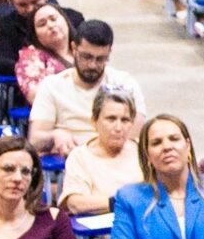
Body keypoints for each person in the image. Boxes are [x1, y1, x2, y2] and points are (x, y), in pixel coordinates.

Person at [26, 19, 142, 155]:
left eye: (100, 59)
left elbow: (133, 137)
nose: (92, 65)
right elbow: (35, 139)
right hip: (68, 158)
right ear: (74, 49)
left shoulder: (125, 83)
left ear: (109, 52)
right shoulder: (52, 85)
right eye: (86, 57)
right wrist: (55, 135)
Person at [57, 88, 144, 216]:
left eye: (125, 120)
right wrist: (120, 203)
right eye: (111, 119)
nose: (118, 128)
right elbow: (75, 203)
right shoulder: (80, 157)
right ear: (94, 121)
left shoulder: (144, 151)